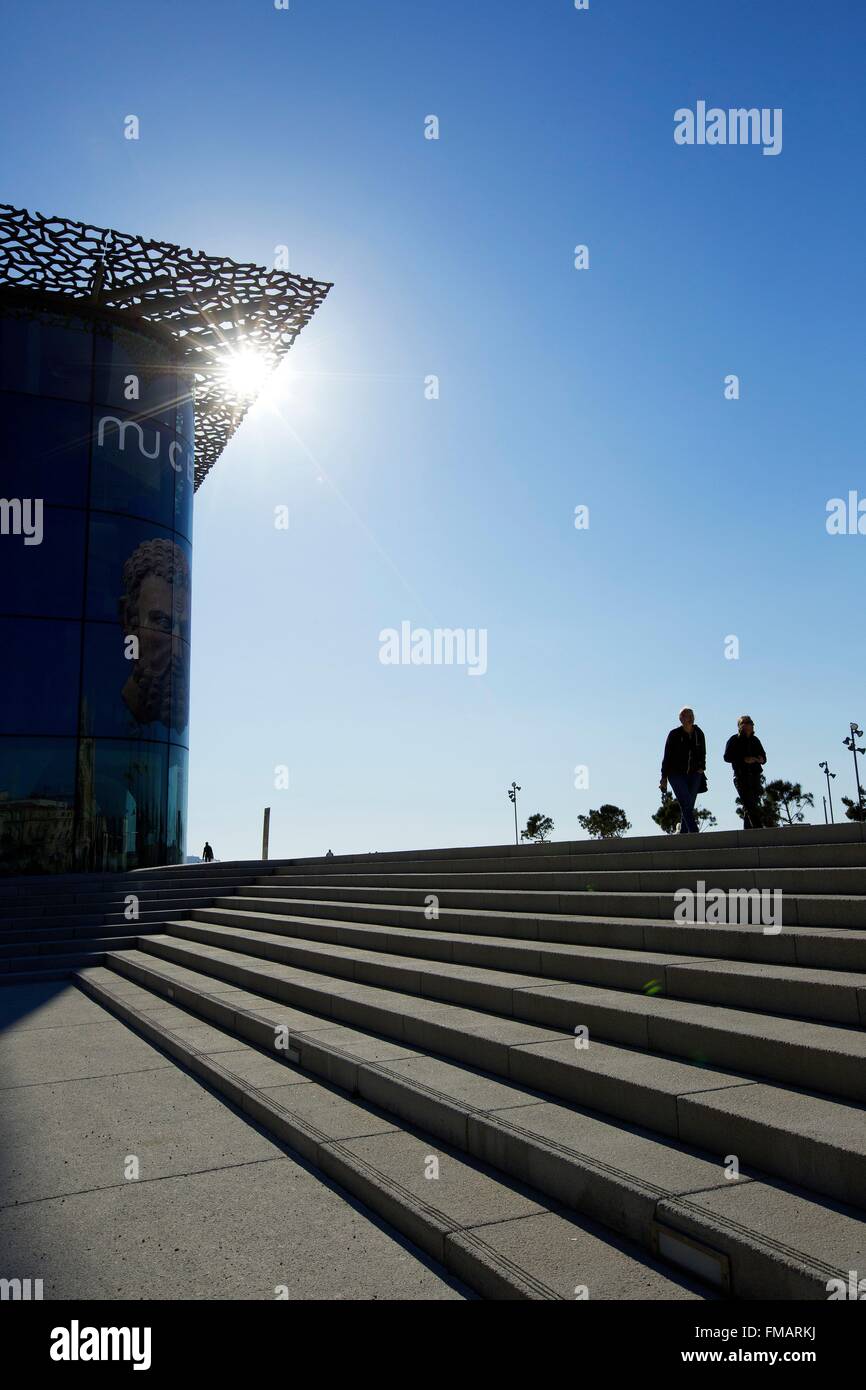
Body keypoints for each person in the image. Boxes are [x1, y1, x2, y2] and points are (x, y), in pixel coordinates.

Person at [660, 706, 707, 834]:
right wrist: (663, 778)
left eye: (692, 715)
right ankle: (694, 832)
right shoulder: (674, 734)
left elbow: (703, 752)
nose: (690, 717)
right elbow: (667, 757)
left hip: (695, 774)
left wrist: (702, 767)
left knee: (689, 805)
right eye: (687, 715)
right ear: (681, 719)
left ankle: (684, 832)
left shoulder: (699, 733)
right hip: (676, 774)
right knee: (685, 802)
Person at [724, 715, 767, 829]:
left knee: (751, 805)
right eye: (745, 723)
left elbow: (764, 757)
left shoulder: (755, 740)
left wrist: (760, 759)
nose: (748, 725)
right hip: (741, 776)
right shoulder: (734, 740)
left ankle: (747, 833)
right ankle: (759, 828)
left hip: (755, 776)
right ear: (740, 726)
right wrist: (744, 759)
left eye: (750, 723)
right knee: (750, 804)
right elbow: (727, 757)